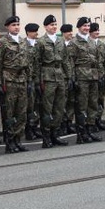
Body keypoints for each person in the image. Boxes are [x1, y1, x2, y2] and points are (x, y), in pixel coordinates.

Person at [0, 16, 31, 153]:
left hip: (22, 79)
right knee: (9, 113)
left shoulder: (23, 41)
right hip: (9, 80)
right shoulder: (3, 42)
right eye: (13, 25)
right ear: (7, 27)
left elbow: (28, 63)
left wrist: (29, 80)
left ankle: (18, 139)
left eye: (18, 24)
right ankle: (9, 142)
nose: (16, 27)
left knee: (21, 112)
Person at [34, 15, 71, 148]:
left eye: (55, 24)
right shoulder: (41, 42)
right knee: (47, 108)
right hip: (47, 76)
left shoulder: (60, 40)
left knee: (59, 107)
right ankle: (46, 137)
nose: (54, 27)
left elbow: (66, 60)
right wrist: (38, 81)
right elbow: (36, 62)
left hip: (60, 76)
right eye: (51, 25)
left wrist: (69, 76)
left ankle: (55, 134)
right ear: (45, 27)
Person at [69, 17, 103, 143]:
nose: (87, 28)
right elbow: (70, 62)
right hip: (81, 77)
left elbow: (98, 59)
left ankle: (90, 130)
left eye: (88, 26)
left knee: (92, 105)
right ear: (79, 27)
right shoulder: (74, 42)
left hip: (93, 76)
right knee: (81, 106)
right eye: (84, 26)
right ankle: (81, 133)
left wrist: (99, 75)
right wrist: (73, 78)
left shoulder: (92, 41)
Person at [24, 23, 42, 141]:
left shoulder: (38, 45)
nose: (36, 33)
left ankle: (35, 127)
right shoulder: (23, 45)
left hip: (36, 78)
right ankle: (28, 130)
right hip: (26, 80)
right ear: (28, 32)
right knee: (28, 106)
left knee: (37, 105)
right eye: (34, 31)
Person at [90, 22, 105, 131]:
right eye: (95, 30)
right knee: (92, 100)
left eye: (98, 30)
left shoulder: (101, 44)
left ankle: (98, 120)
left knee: (101, 98)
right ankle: (91, 122)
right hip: (91, 75)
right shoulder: (88, 43)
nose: (97, 32)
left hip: (101, 74)